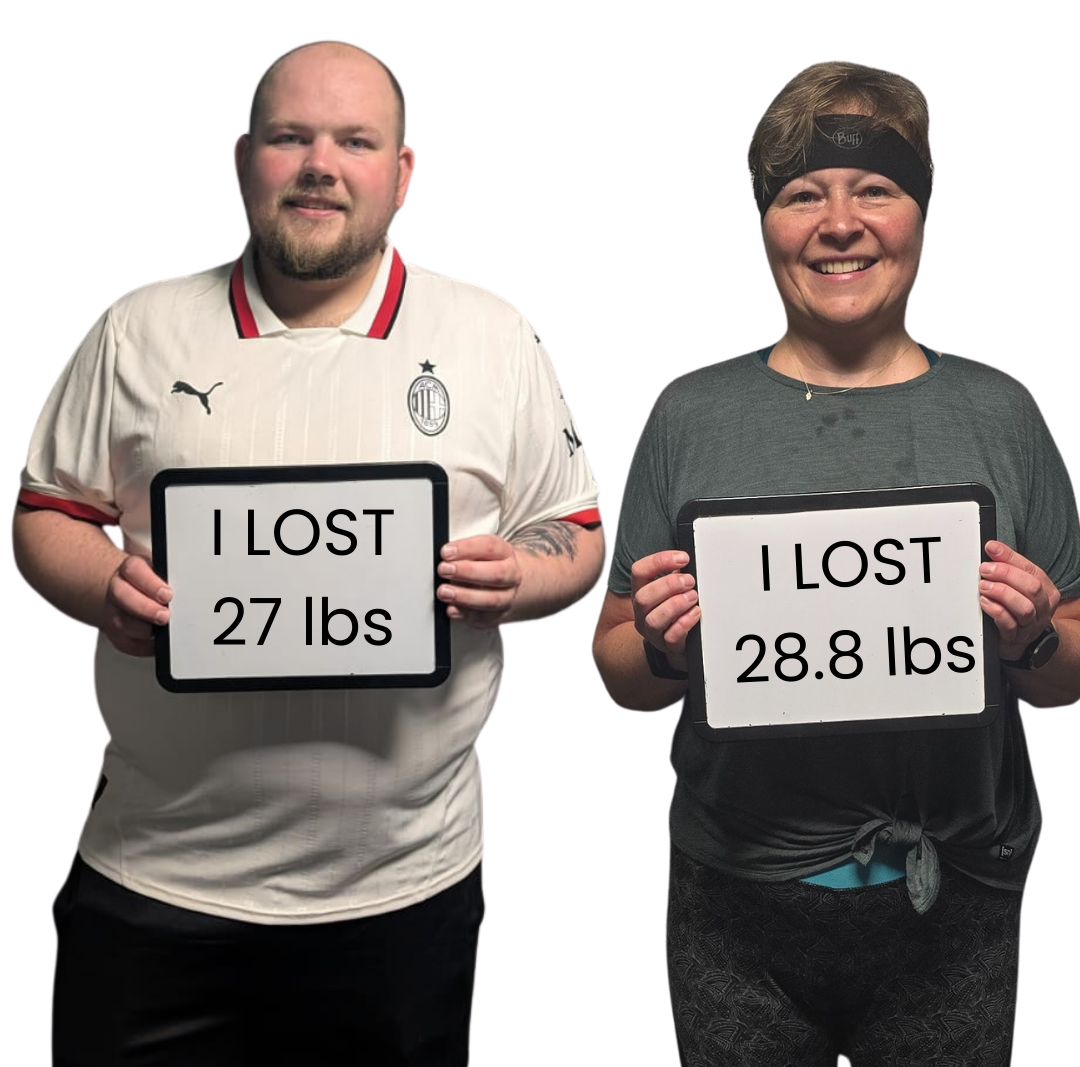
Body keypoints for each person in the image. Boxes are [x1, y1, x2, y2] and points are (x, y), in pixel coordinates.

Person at [17, 40, 605, 1066]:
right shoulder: (139, 328)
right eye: (291, 137)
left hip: (404, 889)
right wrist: (100, 582)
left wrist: (524, 576)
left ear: (402, 172)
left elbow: (576, 530)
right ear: (245, 159)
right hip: (155, 878)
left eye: (354, 140)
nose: (319, 164)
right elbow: (44, 514)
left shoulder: (491, 333)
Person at [592, 60, 1078, 1066]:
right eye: (804, 192)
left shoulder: (1004, 412)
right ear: (766, 217)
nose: (840, 222)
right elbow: (618, 672)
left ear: (923, 203)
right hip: (734, 897)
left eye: (875, 189)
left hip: (961, 896)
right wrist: (664, 645)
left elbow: (1068, 673)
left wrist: (1031, 632)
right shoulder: (690, 412)